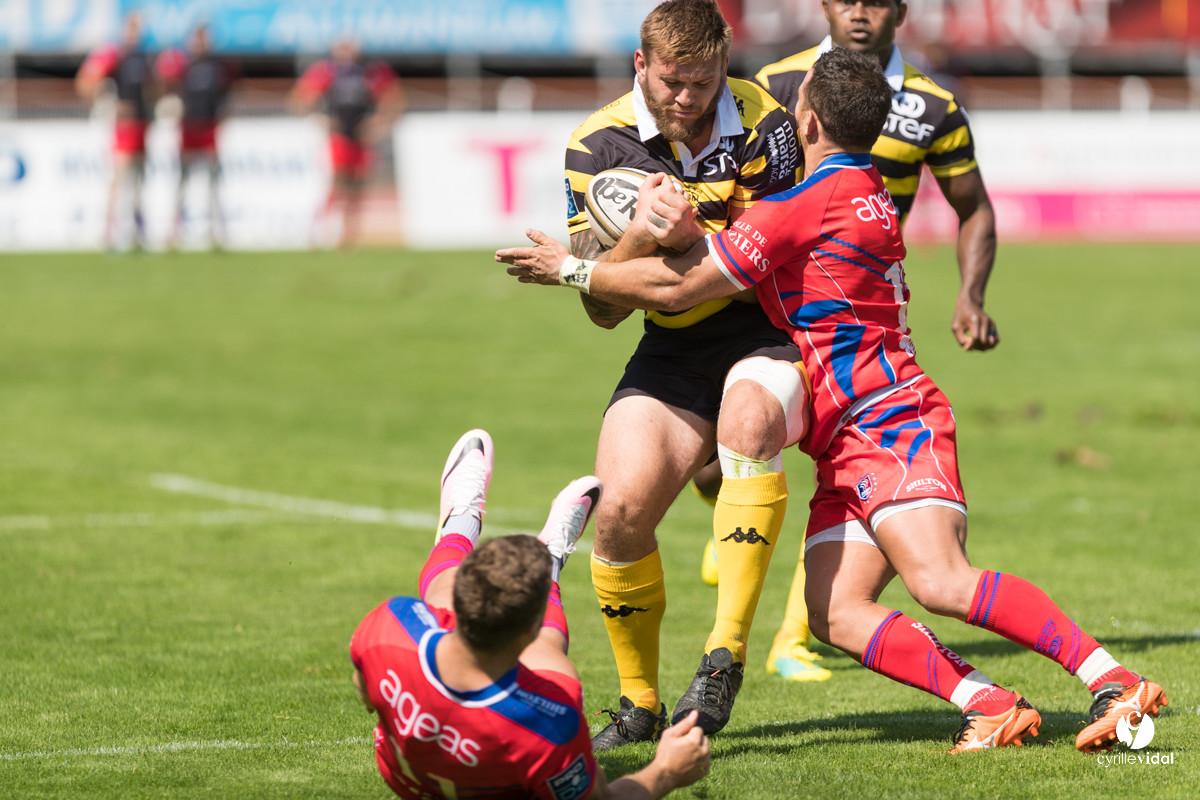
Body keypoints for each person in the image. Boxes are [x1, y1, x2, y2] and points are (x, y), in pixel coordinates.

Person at [497, 47, 1168, 754]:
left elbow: (676, 289)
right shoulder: (860, 185)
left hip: (887, 417)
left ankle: (1114, 678)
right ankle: (989, 701)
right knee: (835, 610)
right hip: (841, 433)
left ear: (807, 117)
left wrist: (570, 267)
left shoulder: (805, 202)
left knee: (940, 580)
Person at [693, 0, 1004, 685]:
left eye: (873, 1)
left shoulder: (932, 106)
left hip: (853, 316)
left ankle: (793, 637)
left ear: (899, 10)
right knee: (725, 450)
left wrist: (970, 295)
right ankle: (723, 512)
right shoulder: (776, 84)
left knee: (843, 468)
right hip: (761, 296)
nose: (858, 12)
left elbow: (972, 204)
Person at [560, 0, 807, 746]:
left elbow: (769, 266)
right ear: (642, 66)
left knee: (747, 425)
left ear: (723, 66)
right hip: (669, 346)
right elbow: (601, 313)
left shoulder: (768, 126)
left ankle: (723, 654)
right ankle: (638, 706)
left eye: (703, 82)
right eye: (672, 81)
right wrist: (638, 235)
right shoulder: (595, 146)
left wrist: (681, 244)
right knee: (620, 512)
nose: (688, 99)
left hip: (771, 328)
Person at [350, 429, 711, 798]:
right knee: (553, 661)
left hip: (404, 777)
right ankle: (549, 561)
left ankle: (461, 519)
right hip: (511, 727)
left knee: (442, 589)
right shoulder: (549, 720)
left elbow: (366, 692)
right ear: (529, 634)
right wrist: (666, 770)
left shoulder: (390, 624)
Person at [289, 37, 403, 249]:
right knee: (338, 182)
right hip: (340, 136)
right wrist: (321, 119)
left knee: (358, 187)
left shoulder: (371, 71)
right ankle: (320, 231)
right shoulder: (327, 70)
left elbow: (393, 98)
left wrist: (378, 121)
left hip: (361, 138)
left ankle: (349, 236)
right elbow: (301, 98)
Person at [76, 13, 160, 251]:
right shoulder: (115, 54)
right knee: (119, 178)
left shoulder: (145, 58)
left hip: (143, 124)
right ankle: (109, 233)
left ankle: (137, 233)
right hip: (124, 126)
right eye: (132, 28)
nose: (135, 33)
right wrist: (107, 104)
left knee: (139, 180)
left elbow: (153, 88)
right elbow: (86, 81)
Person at [157, 24, 237, 250]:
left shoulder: (218, 67)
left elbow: (226, 96)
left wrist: (224, 116)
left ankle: (215, 234)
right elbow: (168, 88)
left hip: (209, 129)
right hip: (189, 128)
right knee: (183, 182)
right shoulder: (183, 64)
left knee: (213, 184)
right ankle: (173, 233)